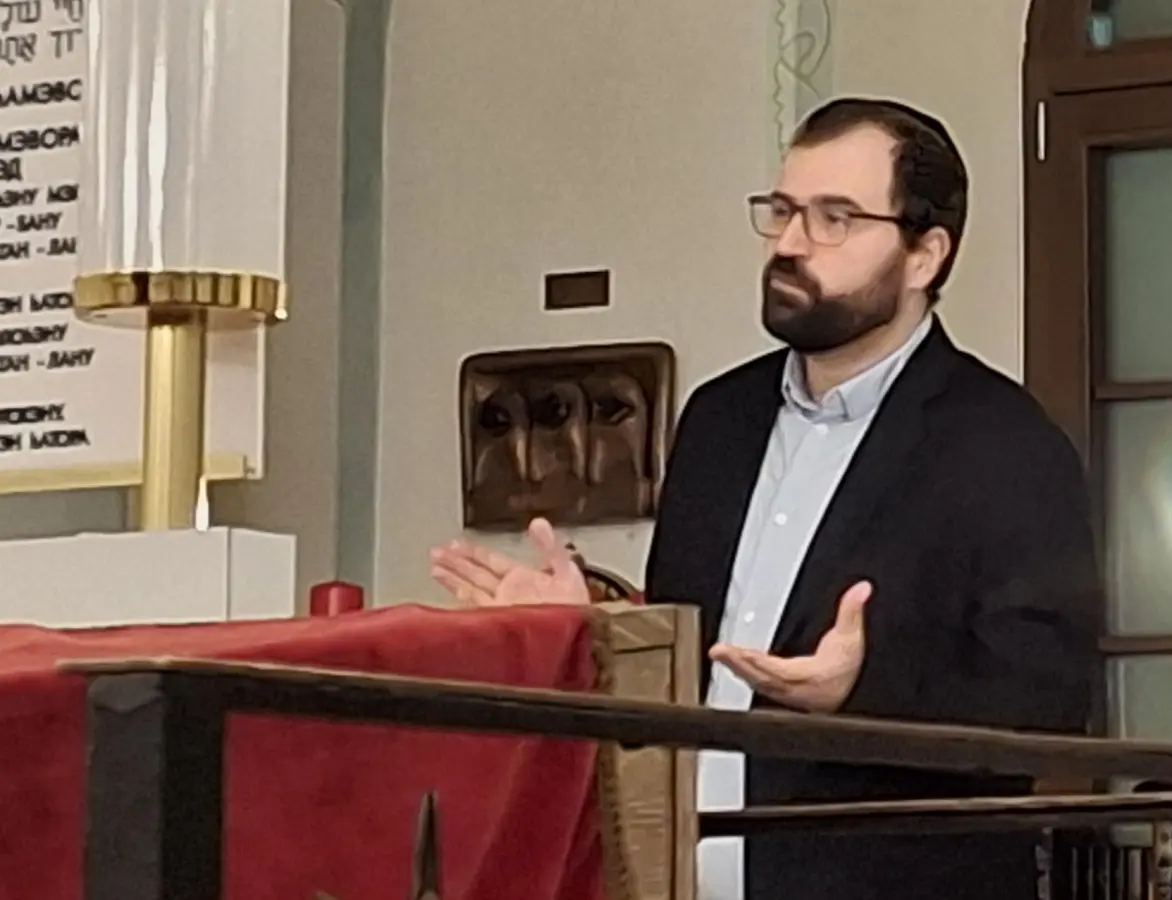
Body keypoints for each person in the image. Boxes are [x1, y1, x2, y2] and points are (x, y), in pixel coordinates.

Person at [429, 97, 1101, 900]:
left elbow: (1045, 708)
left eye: (833, 219)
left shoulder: (1007, 446)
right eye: (781, 211)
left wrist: (860, 692)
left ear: (924, 255)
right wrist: (591, 634)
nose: (788, 244)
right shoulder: (718, 420)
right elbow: (690, 671)